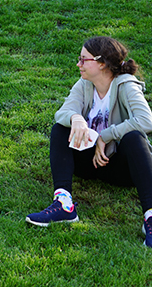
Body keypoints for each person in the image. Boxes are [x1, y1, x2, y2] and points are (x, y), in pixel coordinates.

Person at [25, 36, 152, 247]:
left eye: (84, 59)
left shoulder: (126, 85)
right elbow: (64, 112)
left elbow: (146, 121)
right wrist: (76, 119)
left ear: (101, 64)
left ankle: (150, 216)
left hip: (123, 168)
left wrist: (106, 136)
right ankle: (64, 204)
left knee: (134, 138)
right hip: (88, 162)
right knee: (60, 129)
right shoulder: (84, 84)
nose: (78, 64)